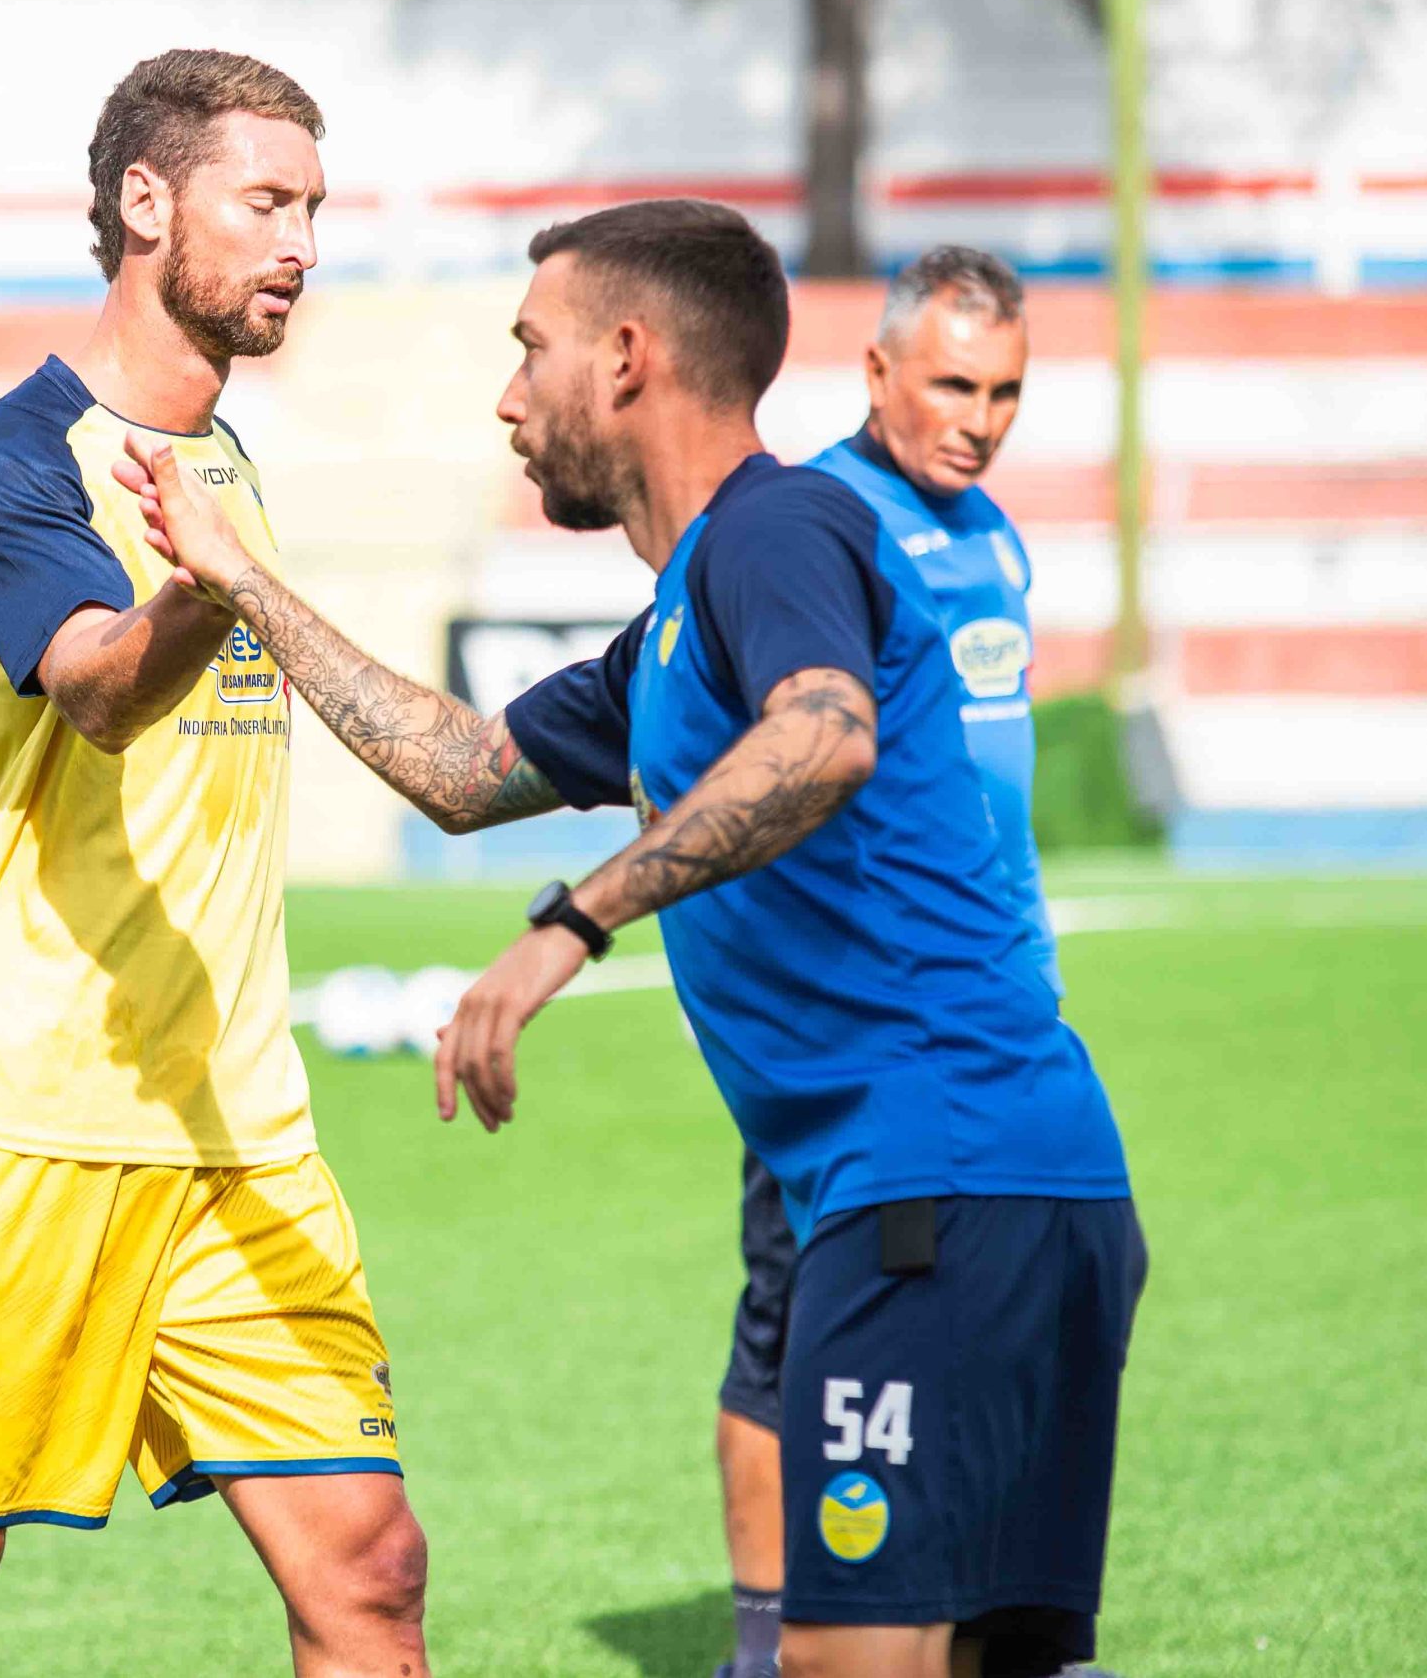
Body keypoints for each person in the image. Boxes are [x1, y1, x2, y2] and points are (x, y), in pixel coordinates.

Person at [119, 200, 1144, 1678]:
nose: (507, 396)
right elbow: (462, 769)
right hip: (1010, 1180)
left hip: (937, 1186)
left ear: (624, 357)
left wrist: (573, 921)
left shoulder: (780, 530)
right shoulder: (681, 618)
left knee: (845, 1663)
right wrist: (245, 585)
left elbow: (825, 733)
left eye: (528, 348)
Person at [0, 51, 430, 1678]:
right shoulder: (11, 458)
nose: (300, 244)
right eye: (265, 202)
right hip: (26, 1110)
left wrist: (219, 569)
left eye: (314, 210)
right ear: (147, 203)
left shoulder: (225, 468)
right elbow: (92, 686)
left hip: (235, 1124)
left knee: (369, 1566)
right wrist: (205, 590)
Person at [712, 245, 1064, 1678]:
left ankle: (960, 1620)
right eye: (952, 385)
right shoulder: (814, 526)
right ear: (875, 371)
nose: (978, 420)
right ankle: (764, 1644)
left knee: (988, 1322)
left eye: (1004, 392)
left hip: (994, 1008)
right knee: (799, 1323)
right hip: (855, 1023)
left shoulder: (996, 538)